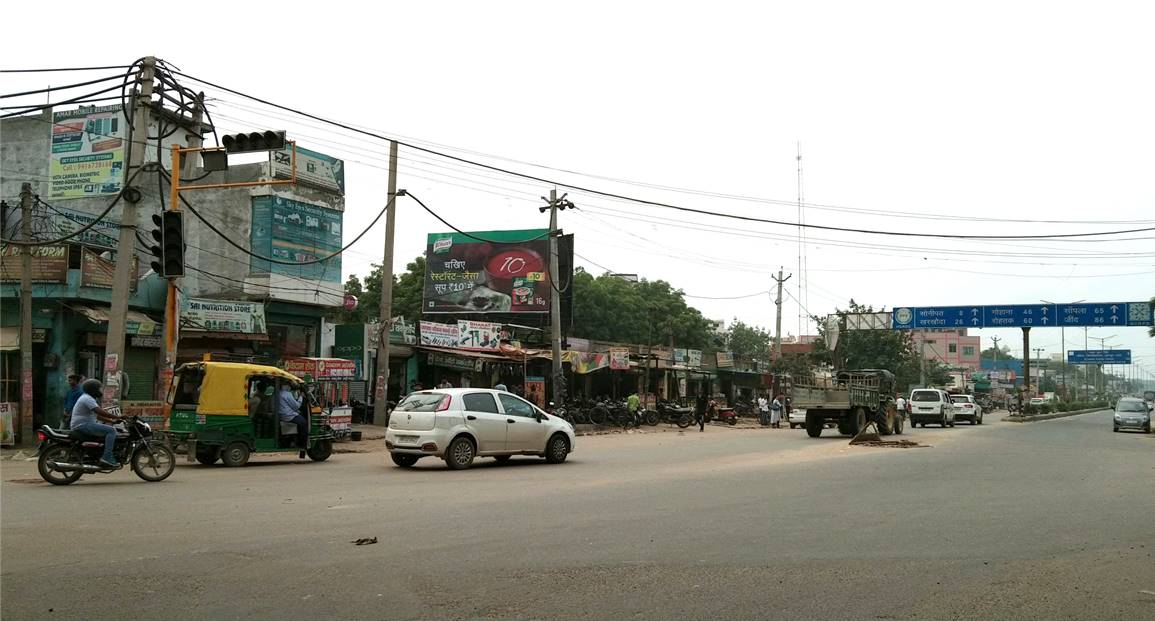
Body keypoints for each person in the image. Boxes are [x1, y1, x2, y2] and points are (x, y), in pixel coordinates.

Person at [70, 379, 126, 468]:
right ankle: (107, 456)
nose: (101, 391)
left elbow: (96, 416)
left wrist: (112, 421)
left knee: (109, 429)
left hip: (83, 424)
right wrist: (117, 417)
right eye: (99, 388)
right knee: (111, 430)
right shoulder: (87, 398)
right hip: (82, 425)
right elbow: (99, 411)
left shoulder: (88, 398)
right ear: (93, 389)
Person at [277, 383, 308, 459]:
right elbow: (297, 406)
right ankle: (303, 446)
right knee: (304, 423)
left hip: (281, 415)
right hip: (288, 416)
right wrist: (301, 397)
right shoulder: (287, 394)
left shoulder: (277, 393)